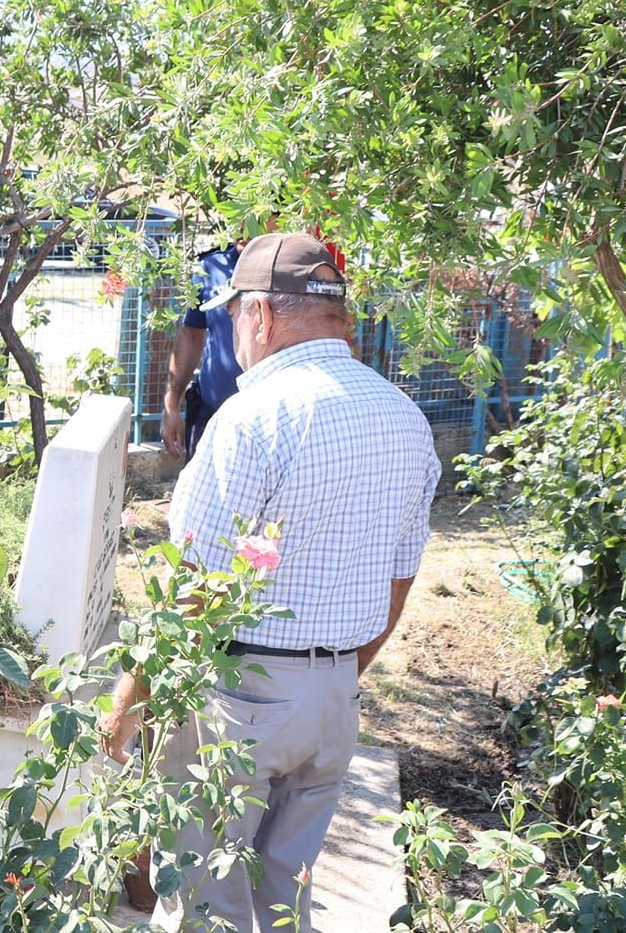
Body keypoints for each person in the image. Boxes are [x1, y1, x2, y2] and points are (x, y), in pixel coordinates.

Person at [99, 233, 439, 933]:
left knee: (203, 908)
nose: (232, 333)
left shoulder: (251, 419)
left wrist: (129, 700)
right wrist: (337, 674)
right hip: (334, 696)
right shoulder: (406, 417)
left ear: (258, 316)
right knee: (286, 904)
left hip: (239, 694)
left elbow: (191, 589)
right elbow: (400, 581)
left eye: (230, 320)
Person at [160, 242, 242, 462]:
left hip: (268, 420)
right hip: (210, 411)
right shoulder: (211, 266)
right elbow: (191, 336)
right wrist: (172, 406)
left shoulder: (289, 268)